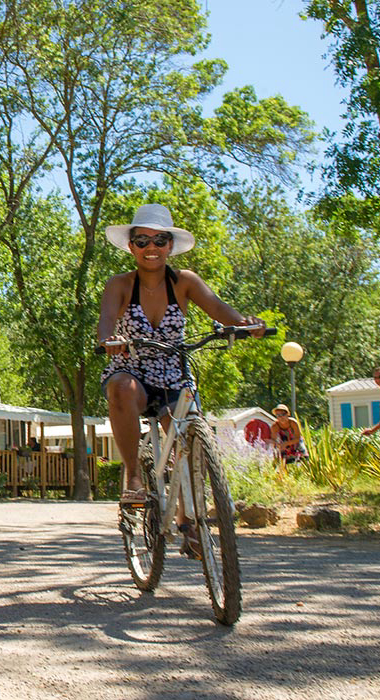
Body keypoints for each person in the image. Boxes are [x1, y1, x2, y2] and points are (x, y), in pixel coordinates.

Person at [97, 203, 264, 557]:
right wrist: (109, 340)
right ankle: (134, 476)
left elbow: (220, 310)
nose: (151, 247)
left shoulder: (186, 282)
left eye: (160, 240)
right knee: (120, 388)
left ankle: (190, 524)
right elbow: (107, 319)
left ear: (170, 246)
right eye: (142, 240)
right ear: (131, 246)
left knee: (189, 434)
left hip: (174, 372)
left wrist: (245, 325)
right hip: (133, 368)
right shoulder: (120, 285)